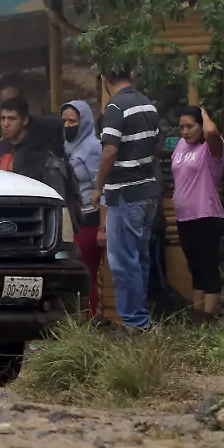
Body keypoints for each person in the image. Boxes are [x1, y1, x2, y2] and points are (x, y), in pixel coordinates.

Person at [92, 66, 161, 333]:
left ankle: (134, 322)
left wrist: (98, 188)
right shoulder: (148, 104)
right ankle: (140, 318)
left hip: (124, 192)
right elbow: (155, 147)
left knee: (123, 261)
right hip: (147, 191)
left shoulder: (115, 107)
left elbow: (110, 151)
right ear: (131, 75)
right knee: (139, 258)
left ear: (105, 79)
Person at [172, 107, 224, 320]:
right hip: (184, 216)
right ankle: (197, 313)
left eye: (190, 126)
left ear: (201, 125)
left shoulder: (211, 148)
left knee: (208, 265)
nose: (185, 132)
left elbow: (212, 132)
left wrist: (204, 114)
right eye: (182, 127)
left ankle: (209, 315)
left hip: (206, 214)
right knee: (195, 266)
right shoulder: (181, 145)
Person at [62, 100, 106, 318]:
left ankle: (89, 321)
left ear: (85, 121)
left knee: (86, 271)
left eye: (73, 121)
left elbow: (102, 186)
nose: (68, 126)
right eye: (64, 121)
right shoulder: (66, 146)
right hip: (71, 219)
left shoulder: (93, 147)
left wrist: (103, 227)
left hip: (90, 218)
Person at [0, 97, 31, 172]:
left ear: (24, 120)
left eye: (11, 119)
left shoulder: (34, 150)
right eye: (3, 118)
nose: (5, 124)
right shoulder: (1, 146)